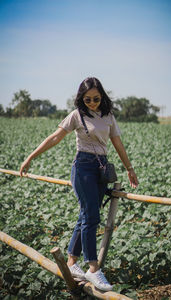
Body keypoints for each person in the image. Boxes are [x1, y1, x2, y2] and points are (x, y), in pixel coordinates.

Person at [20, 77, 138, 291]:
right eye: (87, 99)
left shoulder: (108, 116)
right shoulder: (76, 115)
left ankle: (72, 263)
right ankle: (93, 268)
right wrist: (30, 157)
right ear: (80, 99)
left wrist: (130, 169)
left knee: (85, 214)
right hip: (83, 168)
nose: (91, 103)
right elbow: (55, 138)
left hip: (101, 170)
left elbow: (117, 143)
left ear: (101, 96)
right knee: (92, 215)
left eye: (95, 98)